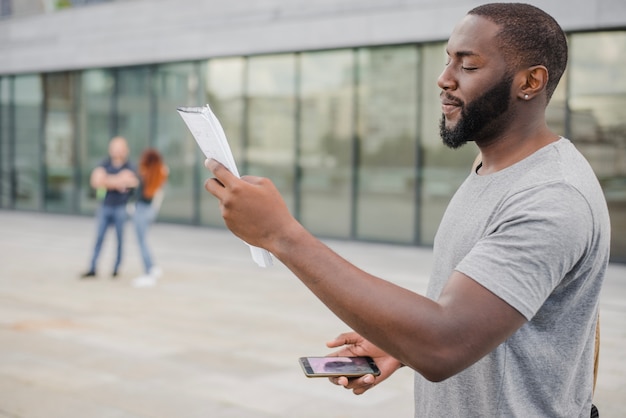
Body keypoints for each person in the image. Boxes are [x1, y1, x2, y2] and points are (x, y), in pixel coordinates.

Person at [203, 3, 610, 417]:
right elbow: (474, 314)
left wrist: (282, 235)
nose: (444, 79)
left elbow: (445, 343)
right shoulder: (492, 166)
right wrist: (400, 342)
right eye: (447, 60)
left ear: (530, 81)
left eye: (468, 67)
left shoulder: (552, 197)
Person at [81, 136, 138, 279]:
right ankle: (92, 267)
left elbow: (132, 182)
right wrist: (119, 180)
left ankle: (116, 268)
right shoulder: (104, 163)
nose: (117, 152)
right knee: (99, 238)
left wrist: (107, 180)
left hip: (121, 207)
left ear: (125, 150)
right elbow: (95, 181)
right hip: (105, 206)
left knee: (119, 240)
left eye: (120, 148)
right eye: (115, 148)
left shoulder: (130, 166)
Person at [131, 148, 169, 288]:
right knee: (144, 240)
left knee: (141, 242)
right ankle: (152, 267)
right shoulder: (161, 172)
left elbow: (142, 195)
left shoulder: (145, 174)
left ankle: (148, 272)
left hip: (142, 210)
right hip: (151, 210)